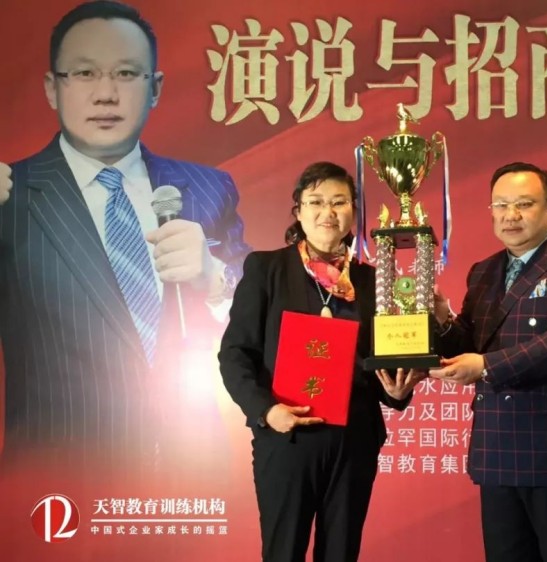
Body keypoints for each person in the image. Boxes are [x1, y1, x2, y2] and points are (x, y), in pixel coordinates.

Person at [0, 1, 250, 468]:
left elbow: (263, 328)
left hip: (194, 475)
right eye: (84, 73)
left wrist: (214, 278)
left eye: (126, 74)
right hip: (58, 481)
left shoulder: (207, 189)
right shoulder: (10, 197)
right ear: (52, 88)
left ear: (155, 89)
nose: (106, 94)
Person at [219, 161, 424, 562]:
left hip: (354, 439)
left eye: (339, 202)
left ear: (353, 213)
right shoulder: (267, 268)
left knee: (341, 552)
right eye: (316, 202)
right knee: (284, 552)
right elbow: (235, 353)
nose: (327, 212)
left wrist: (398, 391)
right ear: (298, 211)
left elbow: (382, 357)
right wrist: (267, 411)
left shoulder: (372, 281)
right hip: (288, 436)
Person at [430, 162, 547, 562]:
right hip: (498, 451)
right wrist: (443, 319)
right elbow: (471, 341)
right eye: (500, 205)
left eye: (524, 204)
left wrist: (486, 367)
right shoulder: (483, 271)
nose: (510, 215)